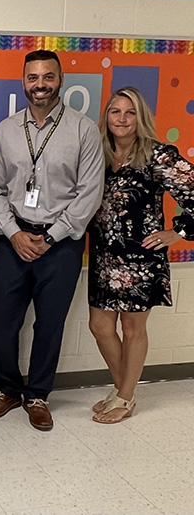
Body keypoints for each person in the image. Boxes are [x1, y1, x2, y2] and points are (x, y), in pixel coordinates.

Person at [0, 49, 104, 431]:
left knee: (49, 323)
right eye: (33, 78)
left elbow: (89, 195)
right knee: (1, 320)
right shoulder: (5, 131)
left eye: (47, 77)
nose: (40, 85)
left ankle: (37, 395)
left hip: (62, 244)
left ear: (61, 79)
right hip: (13, 238)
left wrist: (50, 237)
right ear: (23, 81)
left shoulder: (83, 131)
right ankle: (6, 389)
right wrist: (15, 233)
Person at [88, 87, 194, 423]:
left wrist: (176, 233)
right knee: (100, 325)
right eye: (115, 112)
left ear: (140, 118)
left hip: (141, 259)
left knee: (132, 329)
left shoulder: (158, 156)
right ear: (106, 117)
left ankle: (123, 396)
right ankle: (125, 390)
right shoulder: (99, 154)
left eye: (129, 112)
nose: (121, 119)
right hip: (104, 257)